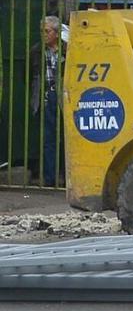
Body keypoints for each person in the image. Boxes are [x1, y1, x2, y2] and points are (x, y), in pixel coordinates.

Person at [30, 16, 64, 188]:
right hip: (46, 96)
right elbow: (28, 76)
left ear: (57, 33)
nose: (44, 34)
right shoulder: (36, 51)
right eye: (42, 31)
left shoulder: (67, 50)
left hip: (64, 96)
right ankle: (50, 179)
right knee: (48, 138)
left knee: (67, 138)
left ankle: (67, 178)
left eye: (47, 31)